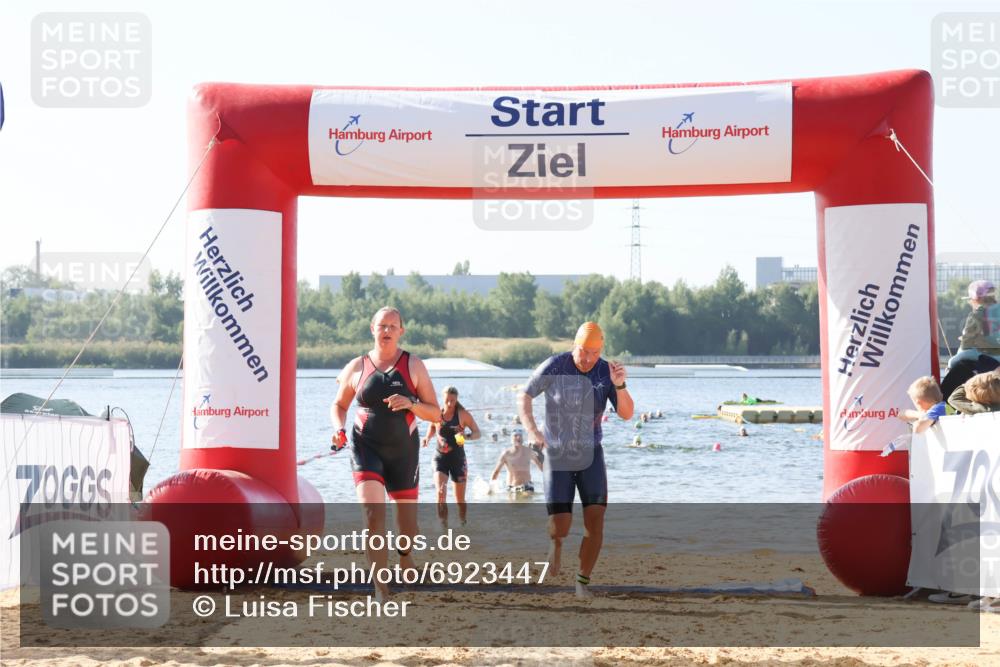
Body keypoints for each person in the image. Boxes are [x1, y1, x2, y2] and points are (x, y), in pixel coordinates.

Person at [330, 306, 440, 600]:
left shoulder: (413, 365)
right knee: (372, 516)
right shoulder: (357, 366)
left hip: (403, 452)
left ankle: (405, 555)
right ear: (373, 329)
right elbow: (339, 405)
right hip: (365, 448)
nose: (387, 330)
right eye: (382, 326)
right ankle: (381, 587)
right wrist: (339, 428)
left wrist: (411, 404)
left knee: (407, 529)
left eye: (393, 326)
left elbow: (436, 413)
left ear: (401, 331)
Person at [518, 321, 634, 599]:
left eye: (595, 353)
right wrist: (533, 431)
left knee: (596, 519)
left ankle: (582, 581)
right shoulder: (555, 366)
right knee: (561, 525)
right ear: (575, 346)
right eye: (584, 352)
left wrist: (620, 385)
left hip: (591, 453)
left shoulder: (606, 371)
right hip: (557, 454)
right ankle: (556, 543)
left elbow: (627, 414)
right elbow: (524, 396)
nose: (589, 359)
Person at [422, 386, 481, 526]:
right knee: (440, 493)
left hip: (458, 460)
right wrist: (427, 438)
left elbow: (477, 433)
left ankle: (463, 523)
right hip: (440, 458)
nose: (449, 403)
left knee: (460, 500)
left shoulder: (463, 415)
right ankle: (443, 527)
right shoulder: (437, 413)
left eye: (452, 401)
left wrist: (466, 436)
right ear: (442, 399)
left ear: (456, 399)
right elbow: (432, 426)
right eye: (447, 400)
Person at [941, 281, 1000, 400]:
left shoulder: (977, 314)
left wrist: (964, 340)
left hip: (984, 356)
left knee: (953, 361)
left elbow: (966, 344)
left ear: (975, 299)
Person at [490, 429, 542, 495]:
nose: (518, 437)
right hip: (512, 487)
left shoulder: (529, 452)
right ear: (511, 439)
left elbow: (541, 466)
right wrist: (491, 488)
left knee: (527, 495)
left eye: (520, 436)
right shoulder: (506, 454)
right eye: (515, 436)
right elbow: (496, 472)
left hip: (527, 486)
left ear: (523, 438)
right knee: (513, 500)